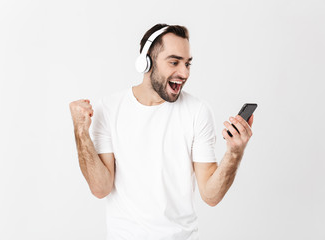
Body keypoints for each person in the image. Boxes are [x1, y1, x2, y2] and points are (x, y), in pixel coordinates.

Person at [69, 23, 254, 240]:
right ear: (146, 62)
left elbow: (211, 196)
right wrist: (81, 131)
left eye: (187, 64)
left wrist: (234, 152)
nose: (184, 73)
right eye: (174, 62)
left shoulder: (198, 111)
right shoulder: (108, 109)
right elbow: (100, 188)